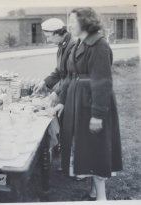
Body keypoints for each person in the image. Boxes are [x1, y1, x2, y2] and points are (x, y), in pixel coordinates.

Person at [54, 7, 122, 201]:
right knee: (86, 146)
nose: (69, 25)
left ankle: (101, 197)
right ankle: (93, 191)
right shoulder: (78, 44)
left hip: (92, 103)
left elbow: (103, 82)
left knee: (96, 146)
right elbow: (70, 77)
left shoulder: (99, 45)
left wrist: (98, 115)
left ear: (85, 22)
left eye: (73, 21)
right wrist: (62, 102)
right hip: (78, 101)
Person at [33, 18, 76, 172]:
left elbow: (71, 75)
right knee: (65, 126)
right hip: (66, 89)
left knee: (73, 128)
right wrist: (44, 82)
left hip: (75, 91)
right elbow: (59, 71)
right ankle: (67, 160)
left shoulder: (73, 46)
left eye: (48, 36)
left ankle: (76, 165)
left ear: (58, 33)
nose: (47, 38)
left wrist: (57, 93)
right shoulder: (62, 45)